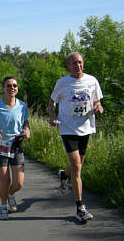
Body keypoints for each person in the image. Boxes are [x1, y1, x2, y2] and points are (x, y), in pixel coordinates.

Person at [48, 52, 104, 222]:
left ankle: (64, 175)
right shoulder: (62, 83)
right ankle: (80, 207)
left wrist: (98, 108)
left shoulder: (92, 81)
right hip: (67, 128)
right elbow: (52, 103)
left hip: (85, 128)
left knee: (76, 166)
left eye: (80, 62)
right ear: (68, 66)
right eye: (74, 63)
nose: (78, 65)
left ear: (83, 64)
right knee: (77, 167)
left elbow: (96, 102)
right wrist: (51, 117)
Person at [0, 76, 30, 220]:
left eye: (14, 85)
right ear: (3, 89)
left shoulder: (22, 106)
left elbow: (26, 123)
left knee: (18, 183)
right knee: (5, 180)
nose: (12, 88)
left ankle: (10, 194)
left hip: (17, 145)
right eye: (8, 86)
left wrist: (27, 130)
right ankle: (3, 206)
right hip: (1, 146)